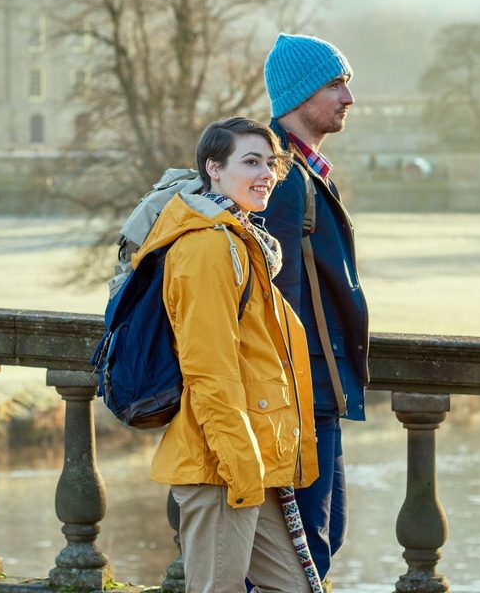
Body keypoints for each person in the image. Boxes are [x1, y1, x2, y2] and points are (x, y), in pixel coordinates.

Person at [138, 116, 321, 593]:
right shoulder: (208, 248)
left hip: (246, 457)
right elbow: (209, 371)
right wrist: (242, 468)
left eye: (271, 163)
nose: (266, 174)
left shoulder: (241, 240)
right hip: (220, 462)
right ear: (213, 169)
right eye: (251, 162)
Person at [259, 34, 369, 590]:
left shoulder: (304, 171)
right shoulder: (279, 182)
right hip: (300, 397)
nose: (348, 97)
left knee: (323, 541)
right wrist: (295, 399)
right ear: (299, 95)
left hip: (323, 392)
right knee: (297, 563)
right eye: (335, 84)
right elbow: (276, 305)